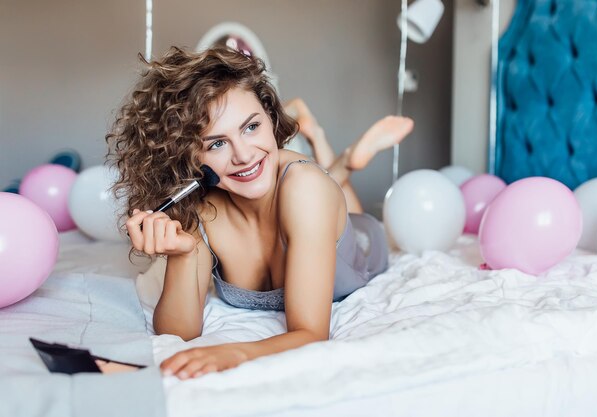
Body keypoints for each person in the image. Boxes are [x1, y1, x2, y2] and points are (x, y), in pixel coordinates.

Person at [106, 46, 413, 380]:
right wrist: (182, 255)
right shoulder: (200, 207)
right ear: (189, 157)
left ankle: (345, 160)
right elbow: (178, 331)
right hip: (300, 200)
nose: (243, 155)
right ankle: (339, 167)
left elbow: (310, 333)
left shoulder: (305, 189)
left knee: (319, 187)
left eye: (251, 127)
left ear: (269, 116)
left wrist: (236, 352)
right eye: (216, 144)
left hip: (359, 241)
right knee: (300, 185)